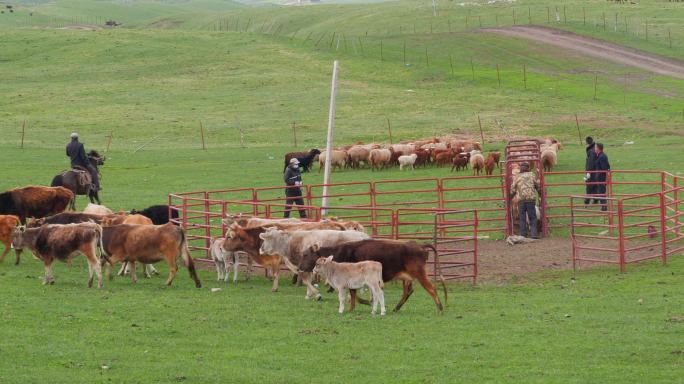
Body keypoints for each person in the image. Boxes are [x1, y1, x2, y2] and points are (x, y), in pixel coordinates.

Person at [510, 162, 540, 239]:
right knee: (533, 217)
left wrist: (509, 197)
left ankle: (523, 234)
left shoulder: (517, 177)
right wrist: (540, 193)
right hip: (531, 199)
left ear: (520, 168)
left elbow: (513, 189)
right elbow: (537, 186)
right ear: (528, 168)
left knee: (522, 217)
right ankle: (534, 234)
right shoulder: (532, 175)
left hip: (521, 200)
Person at [594, 143, 611, 211]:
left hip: (601, 177)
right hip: (600, 176)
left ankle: (604, 207)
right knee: (600, 191)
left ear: (598, 148)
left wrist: (601, 174)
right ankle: (603, 206)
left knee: (601, 191)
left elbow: (605, 168)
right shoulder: (600, 156)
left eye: (595, 147)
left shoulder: (602, 156)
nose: (594, 149)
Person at [583, 136, 598, 205]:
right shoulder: (594, 148)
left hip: (592, 170)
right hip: (596, 170)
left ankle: (587, 200)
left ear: (586, 142)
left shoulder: (591, 150)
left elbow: (591, 162)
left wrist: (588, 171)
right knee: (595, 184)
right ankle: (596, 199)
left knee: (589, 185)